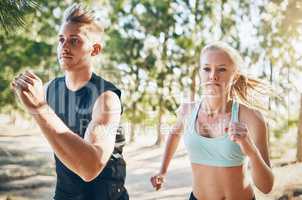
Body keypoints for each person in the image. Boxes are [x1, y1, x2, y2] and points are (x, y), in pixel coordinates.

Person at [11, 3, 128, 200]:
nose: (64, 47)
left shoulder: (107, 99)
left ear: (95, 49)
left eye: (74, 41)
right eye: (61, 40)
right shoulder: (48, 90)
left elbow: (90, 168)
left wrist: (40, 109)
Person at [150, 41, 274, 200]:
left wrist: (250, 150)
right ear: (200, 72)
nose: (213, 76)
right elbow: (174, 135)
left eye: (221, 69)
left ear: (235, 76)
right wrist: (162, 170)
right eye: (206, 69)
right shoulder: (187, 111)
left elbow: (267, 187)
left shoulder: (251, 117)